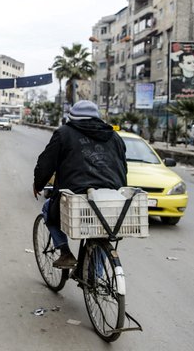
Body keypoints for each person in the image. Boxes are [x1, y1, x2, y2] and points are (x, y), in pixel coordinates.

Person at [33, 100, 128, 268]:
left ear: (72, 117)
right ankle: (95, 281)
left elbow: (46, 163)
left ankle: (65, 253)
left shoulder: (64, 133)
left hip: (75, 194)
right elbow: (123, 167)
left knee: (48, 210)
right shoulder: (115, 136)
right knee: (103, 232)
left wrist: (38, 184)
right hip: (110, 196)